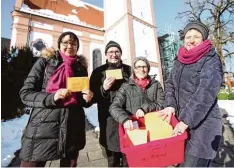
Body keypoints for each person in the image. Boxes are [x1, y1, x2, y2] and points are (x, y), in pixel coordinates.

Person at [19, 31, 93, 167]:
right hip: (43, 126)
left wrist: (87, 99)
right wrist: (52, 97)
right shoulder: (45, 62)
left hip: (73, 126)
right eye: (65, 42)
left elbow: (80, 99)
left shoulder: (80, 67)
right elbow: (26, 93)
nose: (69, 46)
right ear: (59, 44)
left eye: (74, 44)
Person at [161, 20, 223, 167]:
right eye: (188, 36)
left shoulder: (210, 59)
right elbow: (170, 84)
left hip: (203, 126)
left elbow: (205, 92)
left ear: (204, 39)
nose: (191, 40)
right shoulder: (179, 60)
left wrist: (186, 120)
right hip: (180, 123)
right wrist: (170, 105)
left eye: (196, 36)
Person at [90, 41, 131, 167]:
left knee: (128, 158)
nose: (114, 54)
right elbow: (92, 98)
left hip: (128, 117)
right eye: (111, 52)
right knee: (112, 160)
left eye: (117, 51)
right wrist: (104, 88)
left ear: (121, 53)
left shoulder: (129, 70)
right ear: (106, 55)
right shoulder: (98, 72)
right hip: (108, 120)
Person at [109, 56, 164, 131]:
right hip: (135, 129)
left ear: (148, 69)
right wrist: (125, 119)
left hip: (155, 127)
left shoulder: (156, 84)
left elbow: (162, 104)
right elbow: (114, 107)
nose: (142, 69)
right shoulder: (126, 86)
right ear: (134, 70)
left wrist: (145, 108)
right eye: (138, 67)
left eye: (144, 66)